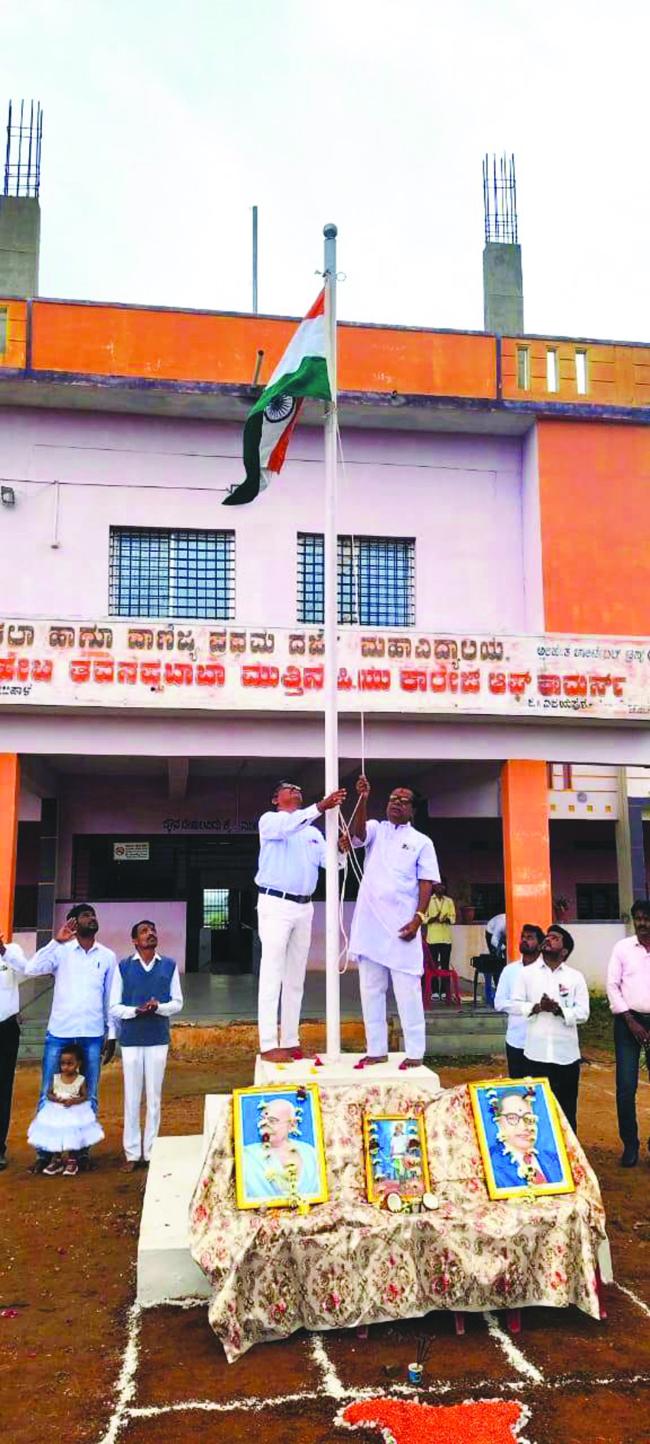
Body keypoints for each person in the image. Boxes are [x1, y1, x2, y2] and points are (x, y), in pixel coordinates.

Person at [346, 776, 439, 1069]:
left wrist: (418, 919)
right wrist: (362, 799)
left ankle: (415, 1052)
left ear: (413, 809)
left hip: (402, 928)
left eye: (403, 800)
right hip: (371, 924)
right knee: (370, 989)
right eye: (392, 799)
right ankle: (376, 1050)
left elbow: (426, 883)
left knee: (407, 990)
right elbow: (355, 836)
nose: (396, 804)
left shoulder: (421, 842)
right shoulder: (376, 828)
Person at [255, 780, 346, 1062]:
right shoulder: (270, 821)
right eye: (289, 788)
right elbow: (288, 827)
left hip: (304, 907)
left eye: (299, 787)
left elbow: (332, 864)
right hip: (276, 903)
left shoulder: (313, 833)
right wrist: (319, 807)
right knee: (272, 974)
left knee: (295, 977)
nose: (296, 790)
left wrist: (340, 849)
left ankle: (291, 1040)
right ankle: (269, 1043)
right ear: (275, 798)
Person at [22, 904, 117, 1171]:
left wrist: (111, 1034)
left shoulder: (107, 956)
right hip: (60, 1033)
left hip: (92, 1033)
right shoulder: (61, 952)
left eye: (94, 915)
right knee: (47, 1093)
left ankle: (81, 1152)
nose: (92, 918)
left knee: (90, 1094)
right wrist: (55, 940)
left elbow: (110, 997)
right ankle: (45, 1153)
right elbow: (32, 968)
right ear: (74, 922)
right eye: (86, 915)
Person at [110, 920, 183, 1171]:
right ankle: (131, 1153)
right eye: (144, 931)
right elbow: (114, 1007)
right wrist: (136, 1011)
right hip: (131, 1038)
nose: (150, 933)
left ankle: (151, 1151)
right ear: (134, 941)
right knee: (132, 1096)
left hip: (157, 1037)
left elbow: (178, 1002)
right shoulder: (124, 967)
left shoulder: (169, 966)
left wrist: (159, 1007)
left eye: (153, 930)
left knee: (154, 1097)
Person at [507, 926, 589, 1133]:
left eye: (555, 938)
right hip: (535, 1054)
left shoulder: (575, 977)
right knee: (534, 1111)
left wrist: (559, 1010)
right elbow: (514, 1004)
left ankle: (568, 1159)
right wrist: (537, 1007)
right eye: (548, 936)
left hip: (566, 1056)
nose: (548, 940)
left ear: (564, 951)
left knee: (567, 1110)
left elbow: (583, 1013)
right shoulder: (526, 974)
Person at [606, 898, 650, 1168]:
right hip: (626, 1022)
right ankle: (630, 1145)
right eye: (638, 918)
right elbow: (612, 985)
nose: (643, 923)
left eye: (647, 918)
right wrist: (631, 1021)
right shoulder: (622, 948)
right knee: (625, 1087)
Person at [27, 1042, 104, 1177]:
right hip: (57, 1111)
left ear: (78, 1064)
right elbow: (49, 1093)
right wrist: (55, 1099)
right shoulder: (56, 1078)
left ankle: (72, 1160)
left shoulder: (80, 1080)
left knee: (72, 1135)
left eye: (70, 1064)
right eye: (63, 1063)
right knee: (57, 1134)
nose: (66, 1067)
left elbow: (86, 1096)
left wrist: (74, 1101)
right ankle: (56, 1160)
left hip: (74, 1111)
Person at [242, 1095, 320, 1199]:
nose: (265, 1125)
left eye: (272, 1121)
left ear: (292, 1125)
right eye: (262, 1119)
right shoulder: (246, 1156)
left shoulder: (310, 1153)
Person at [494, 924, 545, 1077]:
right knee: (518, 1088)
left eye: (530, 938)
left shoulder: (547, 971)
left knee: (539, 1090)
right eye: (523, 937)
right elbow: (499, 1002)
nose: (524, 941)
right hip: (516, 1040)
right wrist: (528, 1008)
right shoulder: (510, 970)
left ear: (540, 944)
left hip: (541, 1041)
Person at [487, 1086, 563, 1189]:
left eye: (529, 1118)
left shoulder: (554, 1160)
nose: (524, 1126)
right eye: (512, 1118)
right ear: (498, 1123)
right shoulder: (490, 1166)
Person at [0, 933, 28, 1171]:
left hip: (6, 1028)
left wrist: (2, 952)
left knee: (2, 1089)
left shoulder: (12, 951)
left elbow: (28, 970)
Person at [421, 880, 456, 1001]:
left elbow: (453, 918)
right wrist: (433, 919)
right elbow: (423, 918)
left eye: (442, 886)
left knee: (445, 965)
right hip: (433, 939)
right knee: (433, 965)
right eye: (438, 886)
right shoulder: (429, 900)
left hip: (446, 939)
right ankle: (435, 991)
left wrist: (446, 919)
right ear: (434, 887)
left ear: (445, 887)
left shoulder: (449, 901)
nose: (440, 888)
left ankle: (445, 992)